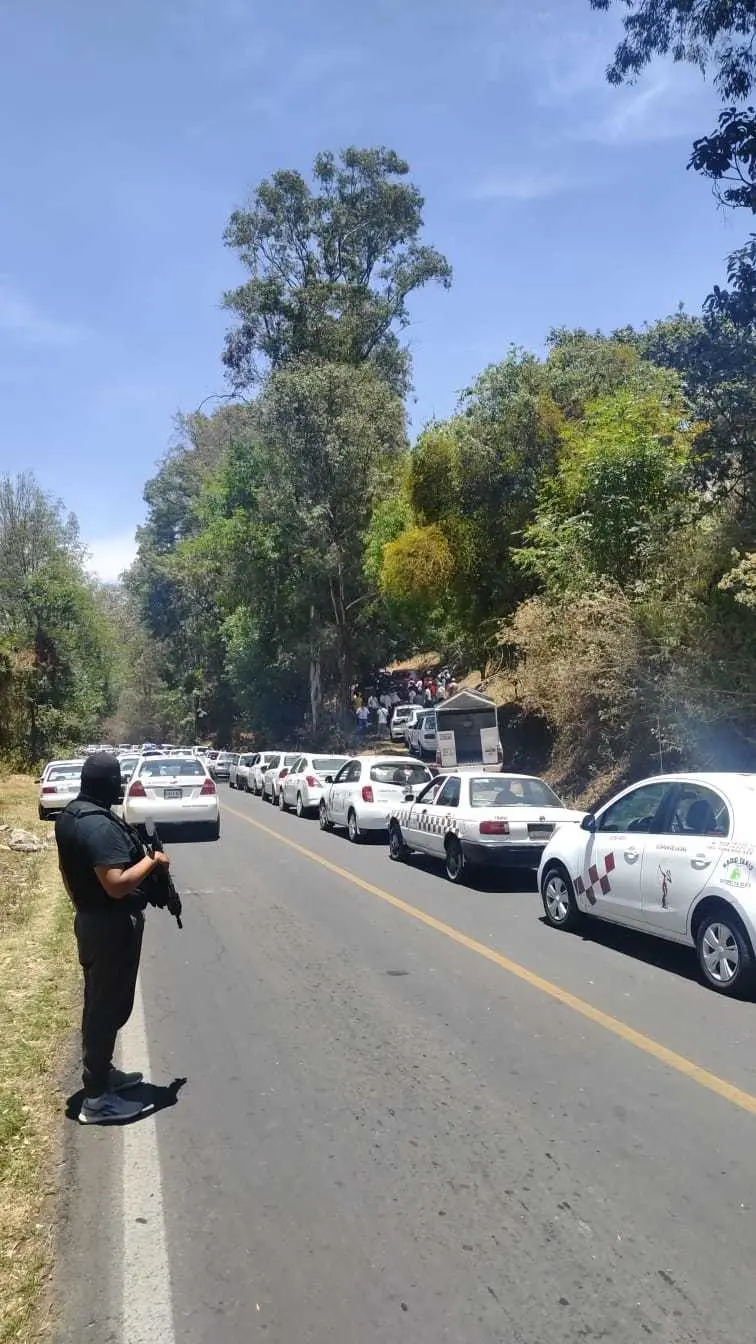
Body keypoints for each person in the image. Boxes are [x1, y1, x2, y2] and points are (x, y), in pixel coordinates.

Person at [55, 753, 171, 1124]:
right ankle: (97, 1099)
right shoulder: (100, 828)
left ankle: (102, 1076)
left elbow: (67, 871)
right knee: (106, 1008)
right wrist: (153, 861)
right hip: (108, 926)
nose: (120, 786)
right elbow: (117, 885)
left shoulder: (71, 816)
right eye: (118, 780)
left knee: (102, 1002)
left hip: (93, 920)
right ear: (108, 783)